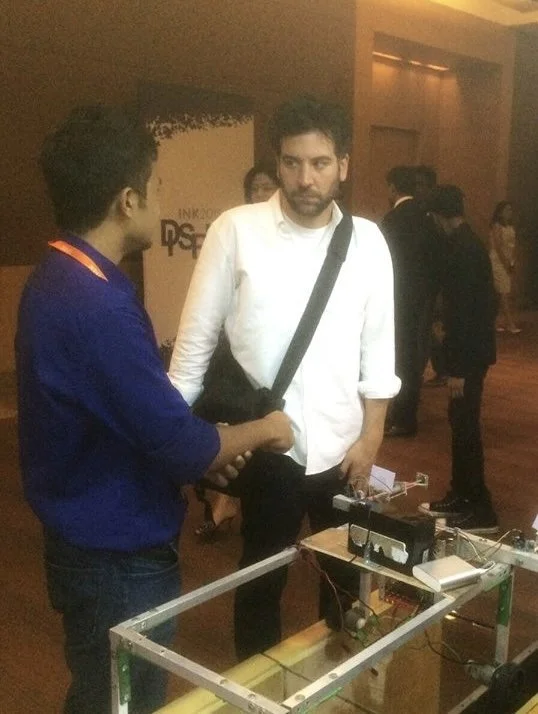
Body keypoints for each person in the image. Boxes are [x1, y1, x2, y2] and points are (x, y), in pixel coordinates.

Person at [15, 105, 293, 714]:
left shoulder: (57, 275)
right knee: (124, 701)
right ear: (127, 201)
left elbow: (137, 420)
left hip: (84, 538)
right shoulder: (98, 307)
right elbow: (181, 445)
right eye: (157, 185)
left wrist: (205, 447)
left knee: (99, 691)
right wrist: (264, 429)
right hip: (116, 556)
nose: (162, 197)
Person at [168, 95, 400, 659]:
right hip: (268, 444)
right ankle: (256, 683)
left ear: (343, 165)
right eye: (293, 163)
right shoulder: (236, 230)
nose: (305, 178)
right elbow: (194, 347)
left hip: (344, 446)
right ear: (278, 163)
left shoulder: (368, 242)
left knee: (346, 575)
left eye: (319, 163)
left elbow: (379, 353)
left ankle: (344, 673)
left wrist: (371, 438)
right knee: (260, 575)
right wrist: (175, 442)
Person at [194, 159, 279, 540]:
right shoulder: (233, 232)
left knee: (262, 429)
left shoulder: (291, 242)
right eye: (254, 188)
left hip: (273, 357)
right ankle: (224, 500)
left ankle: (242, 501)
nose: (260, 194)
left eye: (267, 187)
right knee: (226, 421)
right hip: (231, 352)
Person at [419, 185, 498, 533]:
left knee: (466, 430)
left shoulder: (465, 250)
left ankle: (479, 507)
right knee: (461, 426)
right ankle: (462, 495)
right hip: (470, 355)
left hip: (468, 359)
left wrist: (458, 370)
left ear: (439, 216)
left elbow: (468, 316)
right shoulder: (466, 244)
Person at [380, 166, 434, 437]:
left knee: (399, 358)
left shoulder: (392, 220)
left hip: (395, 298)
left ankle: (400, 417)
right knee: (412, 358)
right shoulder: (426, 218)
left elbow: (383, 262)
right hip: (421, 299)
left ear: (393, 188)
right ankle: (406, 414)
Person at [414, 165, 448, 388]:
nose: (417, 189)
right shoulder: (419, 212)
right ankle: (439, 368)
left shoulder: (434, 216)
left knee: (428, 329)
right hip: (424, 284)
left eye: (421, 185)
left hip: (433, 284)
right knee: (427, 330)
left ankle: (434, 369)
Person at [489, 200, 520, 334]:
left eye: (510, 210)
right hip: (498, 261)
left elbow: (512, 245)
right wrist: (505, 263)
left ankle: (495, 322)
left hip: (508, 259)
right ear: (500, 212)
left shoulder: (510, 226)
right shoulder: (497, 225)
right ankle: (510, 323)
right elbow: (497, 246)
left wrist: (512, 261)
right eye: (507, 210)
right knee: (503, 292)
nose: (509, 212)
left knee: (501, 292)